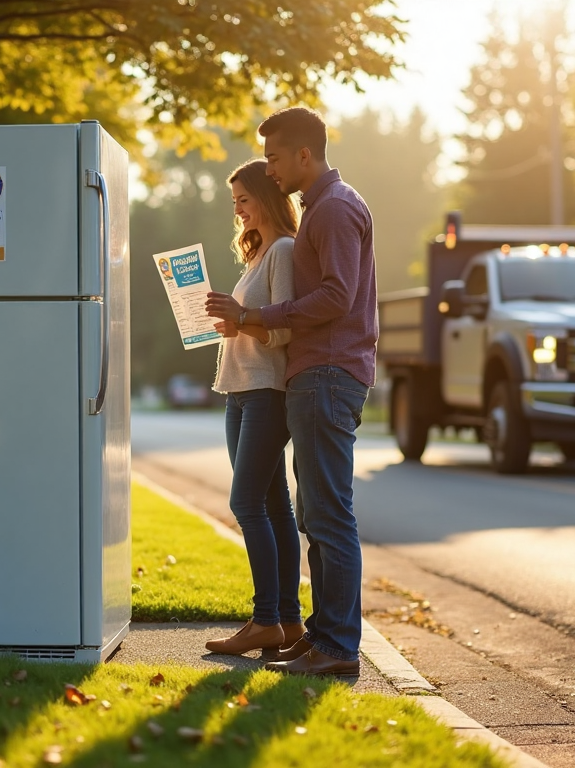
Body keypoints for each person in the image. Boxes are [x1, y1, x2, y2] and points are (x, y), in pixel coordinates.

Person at [205, 106, 377, 677]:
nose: (269, 168)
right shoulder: (321, 209)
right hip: (313, 373)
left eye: (275, 157)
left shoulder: (333, 208)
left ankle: (337, 647)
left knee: (328, 515)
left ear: (306, 154)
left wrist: (255, 315)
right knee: (313, 514)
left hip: (328, 371)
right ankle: (324, 636)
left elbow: (336, 297)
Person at [203, 159, 304, 660]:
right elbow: (254, 326)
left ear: (266, 196)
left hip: (266, 392)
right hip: (242, 391)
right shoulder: (259, 253)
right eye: (234, 202)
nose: (238, 209)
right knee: (272, 505)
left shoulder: (283, 249)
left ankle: (265, 620)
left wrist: (240, 319)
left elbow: (284, 330)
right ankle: (288, 622)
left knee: (247, 504)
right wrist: (232, 323)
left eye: (244, 199)